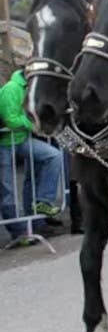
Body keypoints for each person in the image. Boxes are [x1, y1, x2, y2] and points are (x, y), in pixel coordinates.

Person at [0, 70, 64, 240]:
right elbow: (10, 119)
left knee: (53, 156)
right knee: (7, 189)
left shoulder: (30, 87)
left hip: (20, 140)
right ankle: (19, 232)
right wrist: (32, 125)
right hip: (4, 143)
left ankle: (43, 202)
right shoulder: (12, 88)